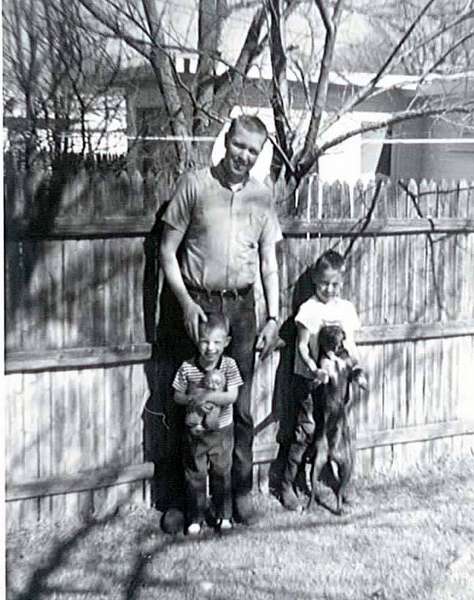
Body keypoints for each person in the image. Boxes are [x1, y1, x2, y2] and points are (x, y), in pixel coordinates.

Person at [160, 114, 282, 524]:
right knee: (190, 403)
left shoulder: (262, 197)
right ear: (226, 140)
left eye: (253, 150)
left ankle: (238, 495)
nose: (243, 156)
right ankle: (183, 502)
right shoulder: (194, 185)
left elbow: (269, 262)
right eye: (239, 145)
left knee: (239, 407)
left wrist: (273, 317)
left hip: (242, 311)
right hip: (197, 305)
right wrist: (184, 302)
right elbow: (167, 251)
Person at [280, 250, 367, 511]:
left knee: (340, 432)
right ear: (315, 280)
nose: (329, 289)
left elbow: (350, 345)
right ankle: (287, 484)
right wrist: (313, 369)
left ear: (342, 281)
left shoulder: (346, 309)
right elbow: (302, 346)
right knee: (305, 432)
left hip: (337, 384)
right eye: (323, 284)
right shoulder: (309, 309)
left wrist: (356, 368)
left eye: (334, 284)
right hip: (311, 382)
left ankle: (343, 483)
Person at [172, 312, 242, 535]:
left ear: (226, 342)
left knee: (222, 472)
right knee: (195, 473)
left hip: (222, 430)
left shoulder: (229, 365)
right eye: (204, 341)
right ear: (196, 340)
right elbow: (177, 396)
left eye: (216, 342)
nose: (210, 348)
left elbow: (231, 396)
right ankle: (196, 517)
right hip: (196, 432)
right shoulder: (187, 367)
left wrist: (207, 396)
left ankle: (224, 516)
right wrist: (192, 399)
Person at [184, 368, 227, 433]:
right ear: (205, 382)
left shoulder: (220, 396)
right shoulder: (199, 391)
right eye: (210, 382)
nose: (213, 385)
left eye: (217, 383)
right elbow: (192, 400)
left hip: (211, 424)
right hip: (195, 421)